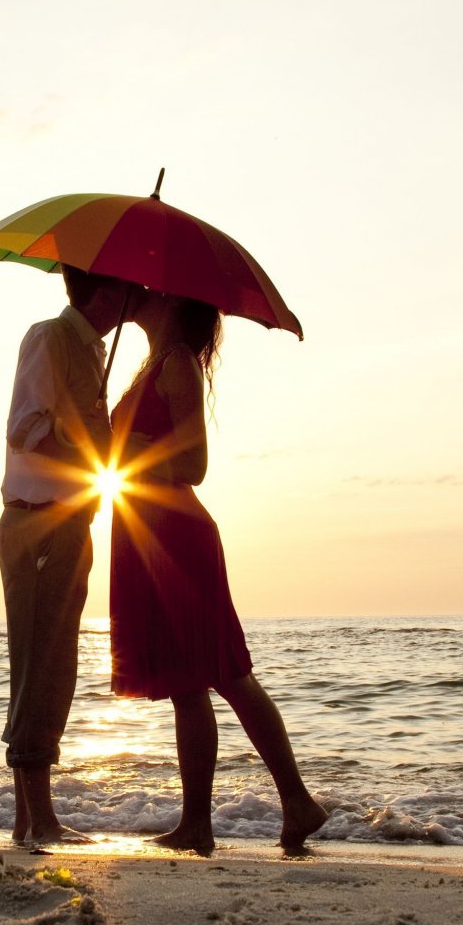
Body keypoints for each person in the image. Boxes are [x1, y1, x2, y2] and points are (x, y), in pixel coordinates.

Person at [107, 288, 328, 856]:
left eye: (152, 292)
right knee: (186, 684)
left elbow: (194, 465)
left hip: (175, 535)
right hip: (145, 532)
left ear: (173, 303)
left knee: (225, 672)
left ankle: (295, 802)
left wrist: (131, 445)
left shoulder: (177, 361)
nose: (139, 295)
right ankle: (198, 824)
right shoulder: (150, 364)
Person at [0, 265, 133, 847]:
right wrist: (90, 456)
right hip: (37, 522)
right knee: (39, 665)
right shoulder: (50, 337)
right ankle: (37, 819)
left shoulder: (92, 351)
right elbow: (25, 427)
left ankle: (32, 820)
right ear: (103, 289)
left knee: (58, 666)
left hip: (69, 522)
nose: (136, 296)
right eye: (127, 287)